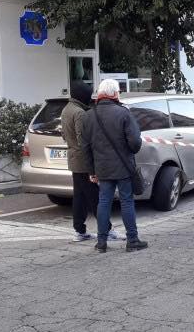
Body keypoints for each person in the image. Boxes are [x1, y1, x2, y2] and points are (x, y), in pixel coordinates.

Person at [81, 79, 147, 253]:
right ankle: (132, 240)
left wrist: (91, 171)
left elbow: (85, 147)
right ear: (115, 93)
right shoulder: (123, 113)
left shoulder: (88, 116)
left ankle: (101, 242)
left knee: (103, 202)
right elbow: (135, 143)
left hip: (102, 168)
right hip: (123, 167)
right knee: (126, 201)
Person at [60, 81, 124, 242]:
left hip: (74, 159)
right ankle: (107, 230)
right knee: (95, 197)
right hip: (83, 161)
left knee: (80, 197)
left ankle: (80, 230)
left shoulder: (67, 109)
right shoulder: (80, 113)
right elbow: (84, 141)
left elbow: (64, 135)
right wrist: (92, 165)